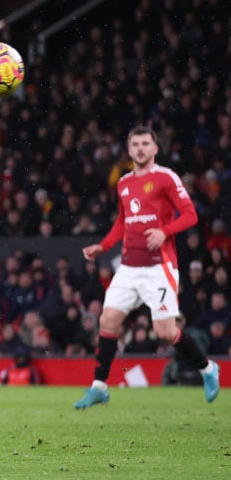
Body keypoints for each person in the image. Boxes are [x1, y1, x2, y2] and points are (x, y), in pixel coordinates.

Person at [75, 126, 219, 409]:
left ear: (155, 148)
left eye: (145, 144)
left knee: (165, 332)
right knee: (108, 321)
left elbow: (190, 214)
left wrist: (164, 232)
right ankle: (99, 386)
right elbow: (122, 222)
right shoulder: (124, 183)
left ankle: (207, 368)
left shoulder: (166, 177)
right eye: (135, 144)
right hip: (129, 266)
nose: (140, 148)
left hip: (158, 267)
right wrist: (102, 247)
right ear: (129, 151)